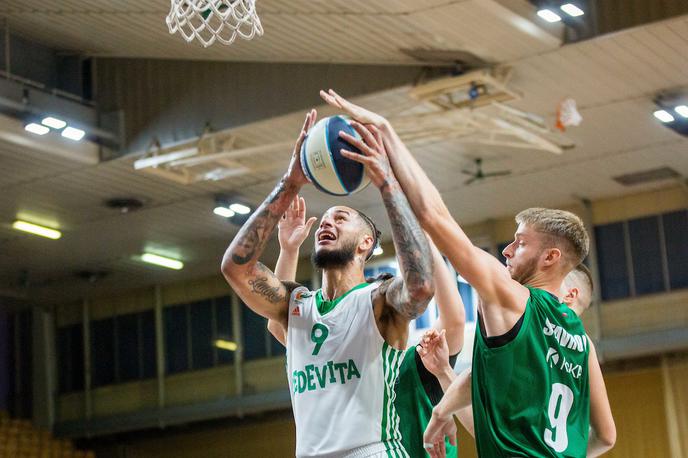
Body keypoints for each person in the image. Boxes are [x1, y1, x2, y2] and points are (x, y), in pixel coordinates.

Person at [319, 90, 616, 458]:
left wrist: (386, 133)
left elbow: (434, 216)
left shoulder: (512, 298)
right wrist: (443, 403)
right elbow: (606, 438)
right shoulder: (581, 344)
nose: (507, 250)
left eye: (520, 242)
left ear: (550, 257)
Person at [221, 109, 435, 458]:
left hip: (372, 451)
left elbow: (421, 286)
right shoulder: (296, 307)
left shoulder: (378, 300)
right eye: (325, 218)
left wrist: (386, 184)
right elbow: (235, 267)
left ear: (366, 243)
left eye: (342, 217)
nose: (326, 223)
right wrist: (290, 184)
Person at [267, 196, 466, 457]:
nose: (326, 221)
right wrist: (289, 249)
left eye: (339, 218)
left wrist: (425, 237)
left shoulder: (418, 360)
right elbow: (280, 324)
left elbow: (454, 321)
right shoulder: (338, 343)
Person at [424, 264, 614, 458]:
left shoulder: (534, 326)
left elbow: (476, 379)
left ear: (570, 295)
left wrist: (440, 411)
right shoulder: (585, 347)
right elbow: (607, 437)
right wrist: (444, 372)